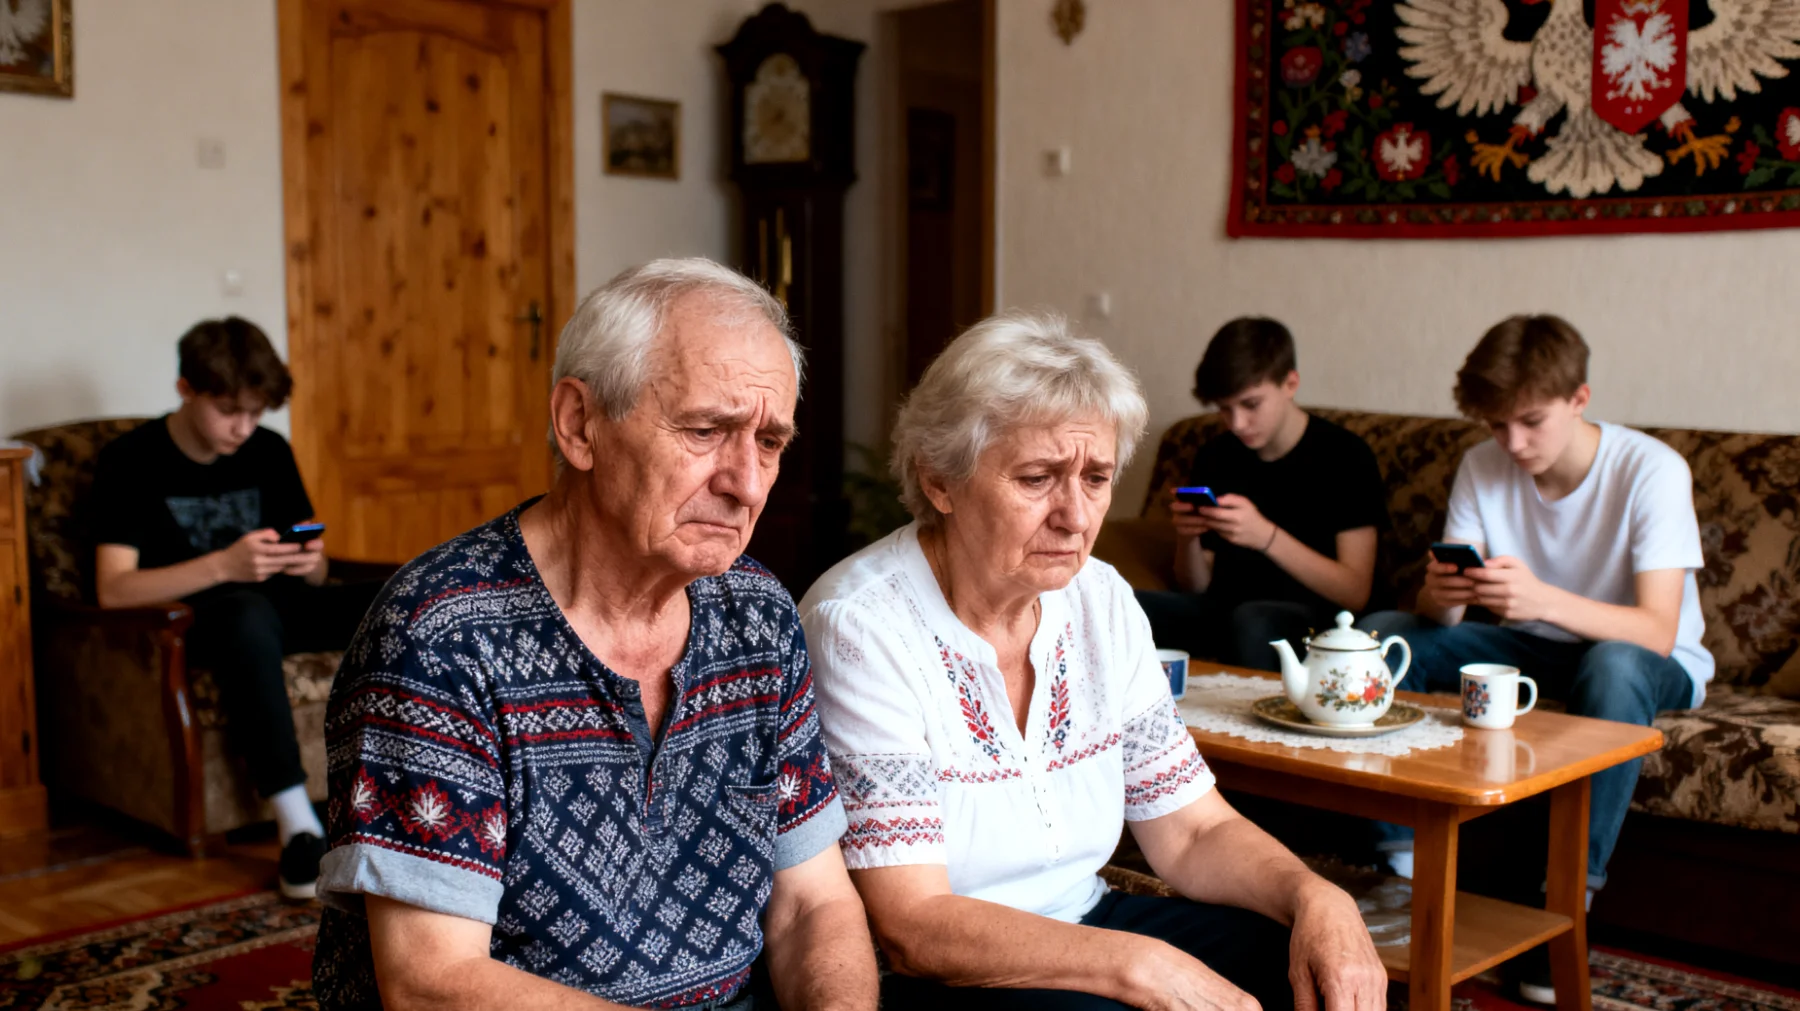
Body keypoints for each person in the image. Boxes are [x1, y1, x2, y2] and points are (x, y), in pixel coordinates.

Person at [311, 259, 877, 1011]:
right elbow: (431, 982)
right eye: (707, 430)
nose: (746, 480)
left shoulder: (759, 616)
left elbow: (814, 903)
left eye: (769, 441)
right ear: (579, 424)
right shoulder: (440, 637)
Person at [801, 311, 1388, 1011]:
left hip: (1088, 918)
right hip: (946, 972)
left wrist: (1316, 895)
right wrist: (1140, 966)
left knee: (1314, 974)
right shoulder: (861, 624)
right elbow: (914, 923)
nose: (1076, 515)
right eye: (1038, 477)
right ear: (940, 480)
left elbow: (1194, 830)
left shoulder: (1101, 599)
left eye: (1097, 477)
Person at [1364, 314, 1707, 1004]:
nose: (1513, 443)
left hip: (1643, 655)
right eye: (1496, 426)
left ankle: (1567, 902)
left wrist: (1542, 597)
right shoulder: (1481, 464)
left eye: (1530, 421)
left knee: (1609, 667)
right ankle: (1401, 874)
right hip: (1526, 642)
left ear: (1579, 397)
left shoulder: (1652, 471)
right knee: (1384, 633)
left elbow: (1657, 629)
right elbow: (1446, 620)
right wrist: (1441, 597)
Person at [91, 316, 381, 900]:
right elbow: (113, 588)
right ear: (185, 389)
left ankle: (402, 799)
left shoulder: (269, 451)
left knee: (399, 596)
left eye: (255, 412)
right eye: (228, 411)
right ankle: (298, 826)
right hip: (199, 624)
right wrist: (223, 566)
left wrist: (312, 564)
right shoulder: (130, 460)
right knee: (243, 610)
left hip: (284, 605)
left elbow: (314, 562)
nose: (243, 428)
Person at [1134, 318, 1388, 671]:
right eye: (1225, 409)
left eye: (1251, 404)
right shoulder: (1215, 455)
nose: (1237, 423)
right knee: (1121, 605)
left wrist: (1265, 537)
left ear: (1290, 383)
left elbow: (1355, 590)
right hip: (1222, 610)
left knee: (1253, 621)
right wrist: (1187, 536)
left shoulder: (1345, 455)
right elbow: (1195, 585)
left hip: (1310, 618)